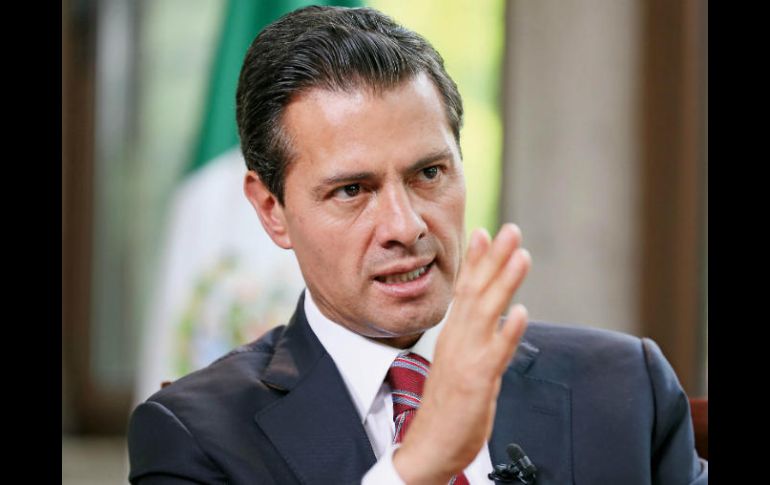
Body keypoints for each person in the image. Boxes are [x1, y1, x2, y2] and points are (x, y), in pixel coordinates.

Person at [127, 6, 708, 484]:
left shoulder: (626, 389)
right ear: (271, 210)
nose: (405, 227)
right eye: (352, 190)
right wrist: (416, 468)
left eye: (429, 173)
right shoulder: (196, 437)